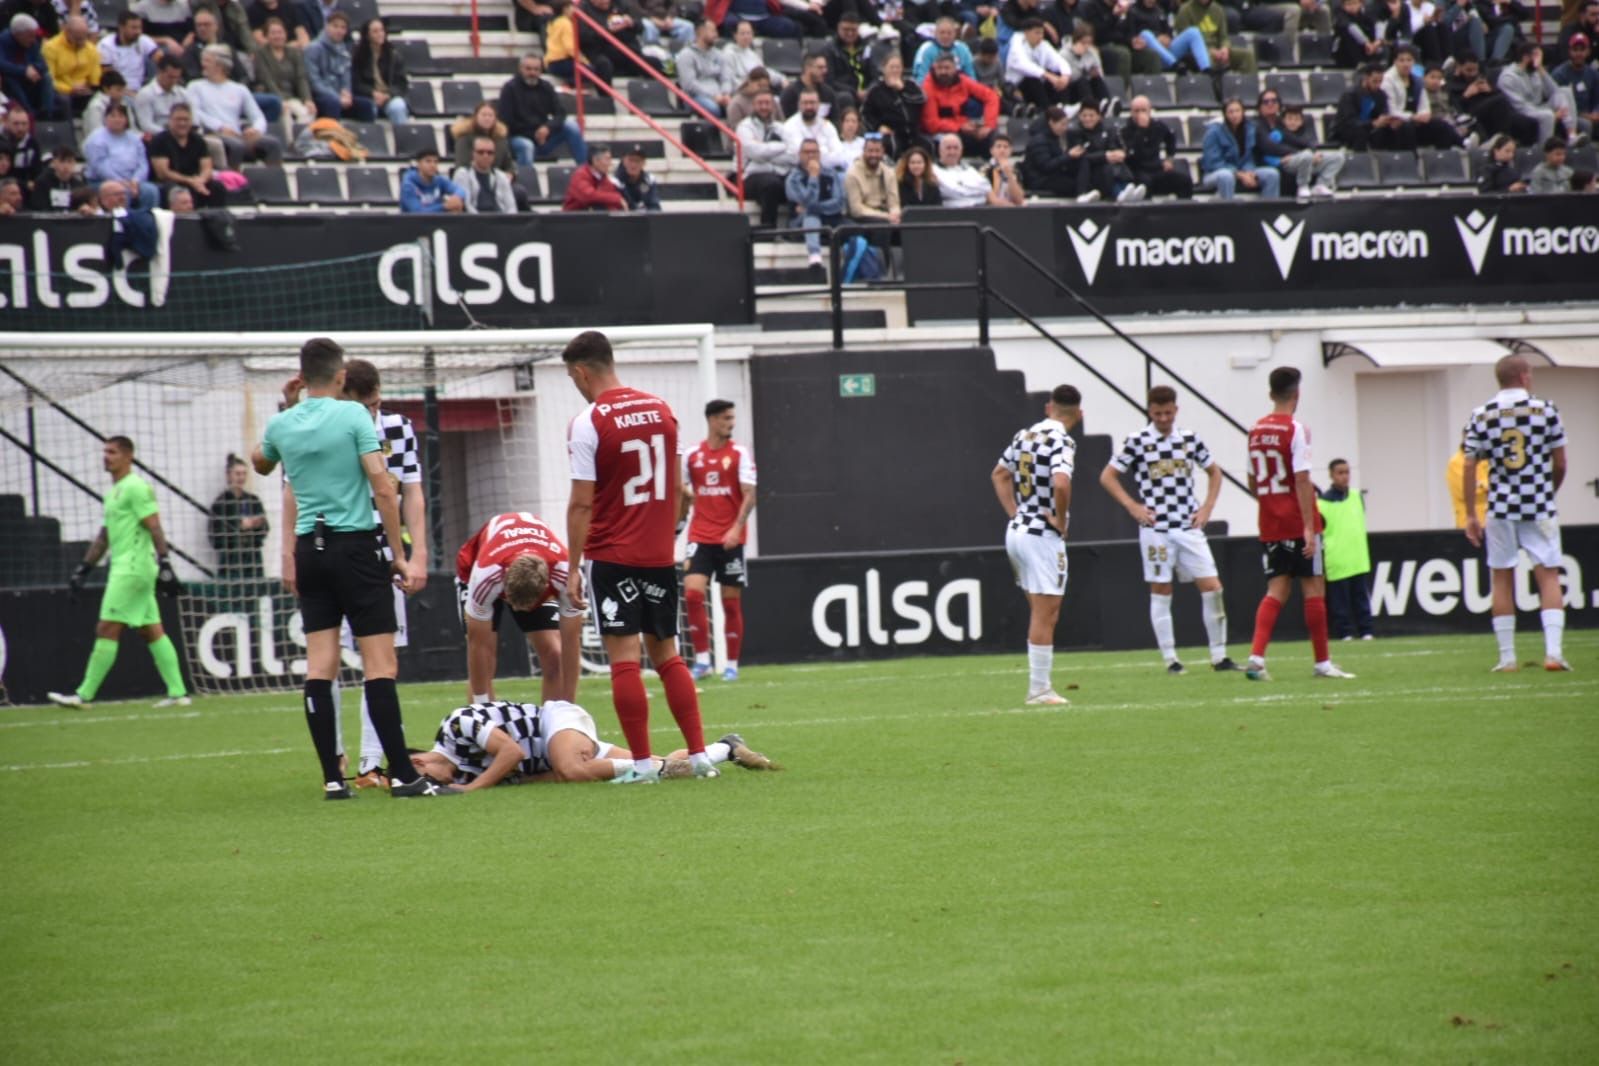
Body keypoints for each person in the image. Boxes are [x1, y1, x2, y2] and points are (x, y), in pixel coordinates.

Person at [253, 341, 452, 799]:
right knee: (380, 664)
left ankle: (332, 779)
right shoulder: (356, 418)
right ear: (341, 376)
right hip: (356, 548)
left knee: (320, 666)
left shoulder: (284, 422)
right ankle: (402, 775)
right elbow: (385, 489)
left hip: (310, 551)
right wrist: (399, 554)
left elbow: (261, 463)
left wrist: (288, 407)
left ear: (302, 378)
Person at [563, 329, 716, 784]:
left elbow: (581, 504)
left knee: (625, 659)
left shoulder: (589, 421)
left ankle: (645, 765)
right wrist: (666, 533)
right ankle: (701, 756)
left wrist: (571, 566)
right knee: (668, 654)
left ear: (580, 372)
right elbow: (678, 488)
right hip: (657, 554)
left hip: (611, 554)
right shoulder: (663, 410)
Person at [1100, 385, 1238, 673]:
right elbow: (1108, 476)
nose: (1163, 418)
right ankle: (1171, 660)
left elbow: (1215, 472)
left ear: (1176, 410)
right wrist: (1132, 506)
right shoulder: (1137, 441)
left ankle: (1219, 656)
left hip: (1188, 526)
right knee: (1162, 590)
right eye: (1157, 413)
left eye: (1167, 412)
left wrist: (1207, 508)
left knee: (1213, 588)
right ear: (1149, 411)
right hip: (1156, 529)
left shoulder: (1189, 439)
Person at [47, 436, 190, 709]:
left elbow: (154, 526)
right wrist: (84, 569)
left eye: (112, 452)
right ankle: (178, 693)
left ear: (128, 456)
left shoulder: (136, 488)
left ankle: (83, 695)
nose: (106, 456)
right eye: (105, 451)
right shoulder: (113, 492)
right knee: (152, 631)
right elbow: (104, 537)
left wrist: (166, 562)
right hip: (127, 567)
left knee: (107, 627)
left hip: (132, 569)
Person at [1242, 367, 1354, 681]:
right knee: (1314, 588)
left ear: (1270, 393)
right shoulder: (1296, 429)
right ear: (1297, 393)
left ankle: (1256, 658)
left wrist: (1269, 505)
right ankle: (1322, 663)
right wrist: (1308, 526)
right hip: (1297, 519)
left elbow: (1252, 479)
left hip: (1270, 521)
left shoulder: (1254, 430)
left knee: (1276, 589)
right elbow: (1303, 479)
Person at [1461, 353, 1570, 672]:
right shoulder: (1546, 410)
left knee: (1501, 577)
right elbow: (1560, 462)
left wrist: (1470, 513)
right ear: (1523, 376)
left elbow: (1469, 463)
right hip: (1538, 502)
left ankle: (1507, 657)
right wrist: (1549, 490)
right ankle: (1553, 653)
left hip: (1501, 505)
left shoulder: (1482, 414)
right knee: (1548, 574)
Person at [412, 701, 777, 790]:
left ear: (419, 762)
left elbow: (513, 752)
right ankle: (727, 748)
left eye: (433, 780)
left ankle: (658, 770)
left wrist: (471, 790)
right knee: (656, 763)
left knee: (573, 769)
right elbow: (531, 778)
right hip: (561, 751)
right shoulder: (467, 769)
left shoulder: (456, 725)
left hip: (555, 722)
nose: (445, 783)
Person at [991, 384, 1079, 706]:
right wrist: (1060, 518)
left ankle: (1040, 686)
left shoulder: (1024, 436)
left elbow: (999, 474)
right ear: (1078, 415)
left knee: (1040, 611)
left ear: (1048, 408)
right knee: (1046, 613)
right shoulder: (1063, 441)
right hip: (1041, 535)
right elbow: (1061, 481)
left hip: (1017, 531)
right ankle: (1039, 689)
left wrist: (1016, 514)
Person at [455, 511, 584, 705]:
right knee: (486, 661)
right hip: (475, 568)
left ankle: (555, 722)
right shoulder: (485, 576)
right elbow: (478, 645)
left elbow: (571, 642)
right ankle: (485, 722)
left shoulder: (565, 575)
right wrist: (480, 707)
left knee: (555, 655)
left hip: (537, 568)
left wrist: (569, 707)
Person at [679, 398, 758, 681]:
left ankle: (732, 665)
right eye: (726, 418)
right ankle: (702, 661)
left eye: (732, 418)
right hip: (700, 534)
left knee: (730, 602)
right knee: (692, 594)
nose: (731, 423)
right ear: (712, 420)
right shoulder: (692, 455)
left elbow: (750, 493)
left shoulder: (739, 454)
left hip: (730, 539)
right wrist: (679, 517)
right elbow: (682, 492)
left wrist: (736, 529)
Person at [188, 44, 284, 167]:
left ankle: (274, 183)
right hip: (212, 135)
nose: (203, 64)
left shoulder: (239, 89)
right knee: (235, 146)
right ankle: (233, 182)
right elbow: (195, 112)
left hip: (238, 134)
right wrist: (220, 127)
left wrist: (256, 130)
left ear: (220, 65)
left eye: (207, 61)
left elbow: (258, 116)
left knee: (272, 144)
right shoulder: (195, 86)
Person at [1316, 458, 1373, 641]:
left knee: (1361, 598)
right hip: (1336, 557)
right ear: (1331, 475)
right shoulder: (1322, 503)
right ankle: (1345, 632)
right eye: (1340, 473)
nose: (1344, 476)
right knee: (1340, 601)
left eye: (1347, 472)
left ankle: (1366, 630)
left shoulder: (1357, 496)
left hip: (1357, 556)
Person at [498, 53, 589, 166]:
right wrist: (535, 133)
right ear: (520, 69)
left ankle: (585, 170)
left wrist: (547, 128)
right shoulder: (509, 89)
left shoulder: (546, 87)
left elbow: (561, 113)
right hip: (518, 139)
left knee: (571, 126)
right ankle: (527, 181)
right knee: (526, 145)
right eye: (528, 69)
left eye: (536, 69)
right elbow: (505, 123)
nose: (532, 73)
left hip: (543, 138)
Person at [1256, 92, 1344, 198]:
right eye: (1266, 102)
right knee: (1306, 155)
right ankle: (1303, 186)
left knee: (1337, 157)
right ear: (1260, 106)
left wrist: (1314, 153)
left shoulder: (1281, 125)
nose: (1270, 104)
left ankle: (1321, 185)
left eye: (1274, 101)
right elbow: (1268, 149)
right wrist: (1295, 155)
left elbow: (1302, 142)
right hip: (1283, 162)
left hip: (1301, 160)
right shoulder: (1257, 125)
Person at [1499, 39, 1584, 145]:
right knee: (1548, 115)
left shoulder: (1534, 70)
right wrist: (1553, 114)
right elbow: (1520, 106)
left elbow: (1554, 91)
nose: (1540, 61)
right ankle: (1545, 148)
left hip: (1538, 107)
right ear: (1525, 58)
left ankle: (1572, 136)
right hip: (1521, 111)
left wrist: (1540, 69)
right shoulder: (1508, 77)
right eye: (1537, 57)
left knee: (1565, 91)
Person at [1381, 44, 1462, 147]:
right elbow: (1391, 110)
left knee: (1441, 125)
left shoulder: (1417, 81)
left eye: (1409, 60)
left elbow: (1425, 106)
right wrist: (1413, 117)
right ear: (1395, 62)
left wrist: (1423, 115)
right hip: (1395, 124)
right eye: (1401, 60)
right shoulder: (1387, 80)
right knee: (1407, 127)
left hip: (1416, 122)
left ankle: (1452, 151)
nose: (1406, 64)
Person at [1449, 51, 1538, 144]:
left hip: (1498, 110)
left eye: (1475, 70)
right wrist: (1466, 95)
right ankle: (1503, 141)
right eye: (1468, 70)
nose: (1472, 74)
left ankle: (1526, 153)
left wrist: (1490, 90)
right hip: (1472, 112)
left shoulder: (1485, 75)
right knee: (1499, 101)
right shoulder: (1451, 83)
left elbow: (1500, 94)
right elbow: (1455, 108)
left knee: (1530, 123)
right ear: (1459, 67)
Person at [83, 101, 159, 208]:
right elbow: (100, 167)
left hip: (132, 181)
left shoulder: (134, 138)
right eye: (112, 116)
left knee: (151, 191)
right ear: (105, 119)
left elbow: (142, 163)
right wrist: (121, 182)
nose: (117, 119)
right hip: (104, 181)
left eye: (120, 116)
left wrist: (135, 181)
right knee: (121, 192)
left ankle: (146, 221)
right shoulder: (96, 139)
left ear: (126, 119)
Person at [922, 52, 1000, 156]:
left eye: (947, 68)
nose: (943, 72)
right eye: (939, 68)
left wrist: (988, 125)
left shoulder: (963, 80)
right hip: (941, 133)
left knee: (993, 136)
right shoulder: (928, 87)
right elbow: (931, 124)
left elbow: (991, 96)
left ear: (954, 68)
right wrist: (959, 127)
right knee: (952, 141)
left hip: (965, 128)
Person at [148, 101, 225, 206]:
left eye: (186, 120)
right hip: (170, 182)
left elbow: (207, 167)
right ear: (170, 121)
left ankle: (216, 219)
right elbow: (163, 173)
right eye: (178, 120)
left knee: (217, 187)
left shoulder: (198, 140)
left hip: (195, 180)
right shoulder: (160, 140)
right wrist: (190, 181)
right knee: (177, 190)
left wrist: (200, 181)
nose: (182, 123)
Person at [1201, 98, 1280, 200]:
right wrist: (1239, 174)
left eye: (1237, 111)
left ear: (1243, 112)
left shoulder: (1250, 128)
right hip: (1215, 174)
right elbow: (1213, 163)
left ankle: (1268, 213)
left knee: (1272, 174)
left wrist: (1249, 172)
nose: (1235, 115)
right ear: (1225, 114)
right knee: (1226, 176)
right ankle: (1229, 212)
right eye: (1231, 112)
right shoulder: (1213, 132)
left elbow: (1249, 157)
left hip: (1242, 171)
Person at [208, 452, 269, 581]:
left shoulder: (253, 500)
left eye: (244, 473)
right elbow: (214, 538)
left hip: (252, 562)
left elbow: (265, 529)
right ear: (228, 475)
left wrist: (257, 525)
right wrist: (238, 526)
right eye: (237, 474)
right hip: (230, 564)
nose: (241, 477)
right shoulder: (220, 504)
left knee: (253, 597)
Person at [737, 88, 793, 227]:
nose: (764, 107)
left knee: (797, 179)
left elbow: (795, 155)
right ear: (753, 105)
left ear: (773, 106)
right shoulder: (744, 127)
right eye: (760, 103)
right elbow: (754, 153)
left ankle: (796, 227)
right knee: (771, 184)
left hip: (778, 172)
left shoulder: (781, 127)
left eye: (767, 103)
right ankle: (768, 230)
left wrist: (765, 151)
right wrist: (781, 147)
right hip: (749, 175)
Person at [1122, 93, 1193, 198]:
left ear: (1149, 111)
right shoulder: (1125, 130)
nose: (1140, 114)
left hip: (1156, 169)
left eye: (1143, 110)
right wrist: (1141, 130)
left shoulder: (1158, 126)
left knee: (1184, 181)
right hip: (1137, 171)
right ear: (1131, 112)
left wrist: (1169, 158)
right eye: (1136, 111)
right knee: (1144, 184)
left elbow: (1171, 138)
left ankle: (1182, 212)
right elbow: (1134, 152)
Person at [303, 9, 367, 120]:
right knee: (332, 103)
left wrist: (346, 93)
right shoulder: (313, 48)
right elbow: (314, 81)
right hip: (319, 96)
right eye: (335, 26)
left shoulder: (344, 50)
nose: (339, 31)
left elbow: (346, 76)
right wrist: (336, 97)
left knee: (366, 105)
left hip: (339, 96)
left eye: (343, 28)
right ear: (327, 26)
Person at [251, 15, 313, 126]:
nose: (277, 36)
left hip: (293, 97)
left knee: (307, 112)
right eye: (273, 33)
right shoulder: (260, 54)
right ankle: (288, 143)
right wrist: (281, 100)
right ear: (266, 36)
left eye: (280, 32)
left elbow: (301, 78)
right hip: (272, 97)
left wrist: (307, 99)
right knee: (286, 113)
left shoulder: (294, 53)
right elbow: (266, 80)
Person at [861, 51, 924, 158]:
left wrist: (902, 89)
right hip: (892, 133)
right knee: (891, 145)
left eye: (898, 67)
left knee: (927, 145)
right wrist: (878, 127)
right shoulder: (875, 91)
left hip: (913, 132)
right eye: (892, 67)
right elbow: (865, 114)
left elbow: (920, 100)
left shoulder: (911, 85)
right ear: (884, 69)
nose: (895, 70)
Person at [1006, 16, 1072, 113]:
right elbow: (1025, 65)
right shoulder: (1016, 45)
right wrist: (1048, 76)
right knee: (1033, 79)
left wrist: (1065, 76)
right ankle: (1046, 110)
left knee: (1059, 76)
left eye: (1042, 33)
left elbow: (1059, 61)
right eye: (1037, 33)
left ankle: (1064, 107)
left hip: (1041, 84)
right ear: (1026, 32)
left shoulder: (1043, 45)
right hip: (1019, 85)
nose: (1040, 36)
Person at [350, 16, 408, 123]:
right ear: (367, 35)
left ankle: (403, 137)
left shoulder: (393, 55)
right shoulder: (358, 56)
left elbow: (401, 84)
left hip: (389, 96)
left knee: (398, 107)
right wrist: (372, 93)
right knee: (367, 108)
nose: (380, 34)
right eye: (375, 31)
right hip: (368, 97)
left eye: (381, 30)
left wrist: (387, 95)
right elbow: (356, 84)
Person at [1128, 0, 1212, 73]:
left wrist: (1168, 37)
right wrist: (1157, 38)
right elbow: (1132, 36)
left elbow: (1169, 31)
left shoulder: (1159, 11)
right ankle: (1175, 64)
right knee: (1145, 34)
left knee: (1193, 32)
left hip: (1166, 51)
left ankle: (1206, 68)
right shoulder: (1133, 11)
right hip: (1149, 54)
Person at [1175, 0, 1255, 73]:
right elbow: (1185, 43)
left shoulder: (1218, 9)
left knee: (1247, 56)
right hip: (1197, 53)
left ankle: (1246, 86)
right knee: (1207, 59)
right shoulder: (1185, 10)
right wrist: (1211, 51)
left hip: (1218, 50)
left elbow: (1224, 37)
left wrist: (1225, 48)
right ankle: (1214, 87)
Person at [678, 17, 735, 116]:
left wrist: (725, 93)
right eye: (712, 31)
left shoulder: (719, 54)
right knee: (713, 109)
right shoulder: (686, 55)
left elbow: (726, 78)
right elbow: (689, 85)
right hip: (694, 97)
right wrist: (714, 96)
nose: (716, 35)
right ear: (700, 32)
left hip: (719, 95)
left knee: (736, 107)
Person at [42, 12, 96, 115]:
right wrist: (70, 89)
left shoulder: (91, 49)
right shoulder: (50, 48)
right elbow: (49, 80)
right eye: (78, 39)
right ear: (67, 32)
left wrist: (88, 87)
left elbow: (95, 79)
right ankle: (68, 127)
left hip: (84, 90)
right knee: (64, 100)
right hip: (61, 90)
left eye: (84, 38)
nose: (82, 42)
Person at [0, 12, 53, 117]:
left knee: (46, 77)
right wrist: (24, 71)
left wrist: (34, 68)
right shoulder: (2, 40)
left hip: (31, 77)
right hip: (11, 77)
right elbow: (2, 64)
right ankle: (28, 113)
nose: (33, 40)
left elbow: (43, 64)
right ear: (18, 34)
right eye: (30, 36)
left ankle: (47, 113)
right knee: (10, 80)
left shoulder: (33, 42)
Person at [783, 86, 847, 169]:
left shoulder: (827, 126)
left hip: (826, 171)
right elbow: (797, 156)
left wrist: (818, 158)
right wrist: (824, 151)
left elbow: (839, 154)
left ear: (818, 104)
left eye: (812, 103)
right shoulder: (789, 126)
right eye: (805, 103)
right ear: (799, 105)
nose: (809, 107)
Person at [98, 10, 161, 92]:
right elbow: (109, 78)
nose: (138, 31)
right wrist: (128, 93)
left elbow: (162, 60)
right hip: (117, 92)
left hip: (140, 89)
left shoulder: (143, 40)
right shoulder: (106, 45)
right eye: (134, 28)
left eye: (140, 28)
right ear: (121, 27)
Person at [453, 132, 517, 212]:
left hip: (500, 220)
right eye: (481, 152)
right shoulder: (463, 174)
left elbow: (511, 206)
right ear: (473, 154)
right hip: (475, 221)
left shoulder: (501, 176)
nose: (485, 156)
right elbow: (466, 205)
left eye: (490, 153)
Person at [931, 128, 996, 204]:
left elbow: (985, 188)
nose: (952, 152)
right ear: (940, 150)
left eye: (956, 148)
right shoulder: (933, 170)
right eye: (948, 148)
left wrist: (962, 190)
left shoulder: (970, 170)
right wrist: (973, 191)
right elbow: (950, 191)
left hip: (978, 211)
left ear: (961, 150)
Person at [451, 100, 514, 172]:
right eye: (483, 115)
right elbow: (462, 166)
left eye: (490, 115)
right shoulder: (464, 138)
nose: (487, 118)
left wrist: (510, 174)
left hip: (498, 180)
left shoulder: (500, 139)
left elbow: (509, 165)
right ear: (475, 117)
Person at [1552, 33, 1599, 129]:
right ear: (1569, 51)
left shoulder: (1592, 73)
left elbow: (1597, 98)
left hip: (1591, 115)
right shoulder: (1559, 74)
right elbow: (1557, 103)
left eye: (1582, 50)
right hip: (1570, 116)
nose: (1578, 54)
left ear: (1588, 51)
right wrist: (1584, 115)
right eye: (1575, 50)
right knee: (1586, 124)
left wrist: (1596, 112)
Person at [133, 54, 188, 136]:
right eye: (170, 77)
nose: (174, 81)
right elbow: (146, 125)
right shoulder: (145, 94)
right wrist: (171, 133)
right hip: (159, 138)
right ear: (159, 71)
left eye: (177, 77)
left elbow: (192, 119)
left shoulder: (183, 93)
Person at [400, 145, 466, 212]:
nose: (433, 165)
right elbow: (417, 212)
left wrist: (457, 197)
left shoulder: (439, 180)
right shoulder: (408, 185)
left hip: (438, 221)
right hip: (413, 222)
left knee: (457, 206)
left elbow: (460, 190)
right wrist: (444, 206)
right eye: (428, 161)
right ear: (418, 164)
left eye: (435, 162)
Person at [780, 51, 841, 121]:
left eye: (825, 67)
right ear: (808, 68)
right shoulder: (790, 94)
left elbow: (835, 121)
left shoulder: (828, 93)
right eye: (820, 67)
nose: (825, 71)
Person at [562, 140, 624, 209]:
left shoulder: (603, 177)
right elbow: (588, 196)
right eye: (607, 159)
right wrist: (616, 198)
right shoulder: (580, 175)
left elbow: (609, 195)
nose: (610, 163)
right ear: (595, 160)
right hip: (573, 218)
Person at [912, 17, 976, 82]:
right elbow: (921, 77)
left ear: (955, 34)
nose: (945, 36)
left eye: (949, 33)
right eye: (942, 33)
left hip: (958, 89)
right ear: (935, 33)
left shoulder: (963, 49)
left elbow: (970, 76)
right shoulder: (927, 49)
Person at [725, 20, 785, 89]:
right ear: (735, 35)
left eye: (748, 33)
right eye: (742, 33)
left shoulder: (752, 54)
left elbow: (763, 71)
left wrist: (781, 79)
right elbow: (730, 80)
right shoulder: (729, 54)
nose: (746, 37)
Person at [82, 68, 138, 136]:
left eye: (123, 90)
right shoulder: (96, 106)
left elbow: (132, 129)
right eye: (118, 90)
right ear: (106, 89)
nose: (122, 94)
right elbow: (96, 133)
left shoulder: (123, 103)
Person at [27, 141, 83, 208]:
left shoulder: (79, 185)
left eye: (69, 161)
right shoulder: (42, 183)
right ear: (53, 163)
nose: (66, 166)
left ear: (74, 163)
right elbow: (39, 207)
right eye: (62, 161)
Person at [1447, 447, 1488, 528]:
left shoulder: (1489, 460)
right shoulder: (1456, 462)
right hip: (1468, 526)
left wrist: (1481, 484)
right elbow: (1467, 492)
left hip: (1494, 525)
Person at [614, 141, 661, 210]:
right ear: (623, 161)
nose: (634, 165)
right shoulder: (615, 182)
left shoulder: (649, 180)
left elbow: (654, 205)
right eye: (630, 160)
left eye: (637, 161)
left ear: (644, 163)